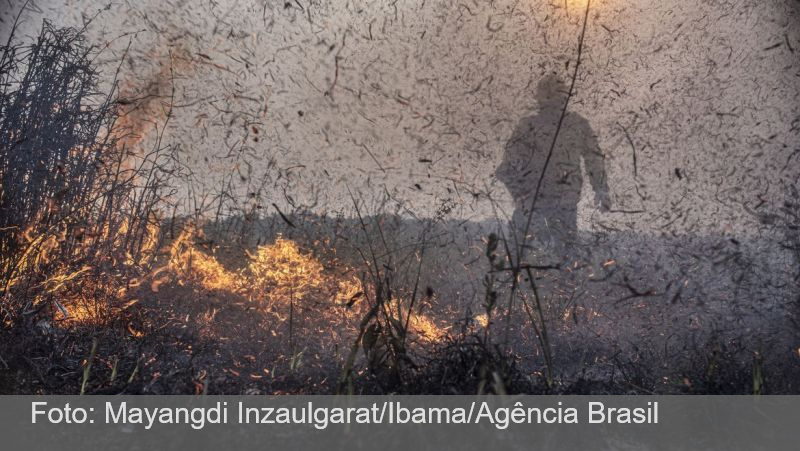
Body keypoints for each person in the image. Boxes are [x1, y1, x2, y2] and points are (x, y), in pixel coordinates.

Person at [497, 74, 609, 258]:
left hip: (556, 203)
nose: (557, 101)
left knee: (562, 257)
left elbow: (594, 157)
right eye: (555, 96)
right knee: (523, 256)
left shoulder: (576, 125)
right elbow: (507, 167)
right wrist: (520, 194)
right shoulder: (530, 126)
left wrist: (601, 188)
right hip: (536, 202)